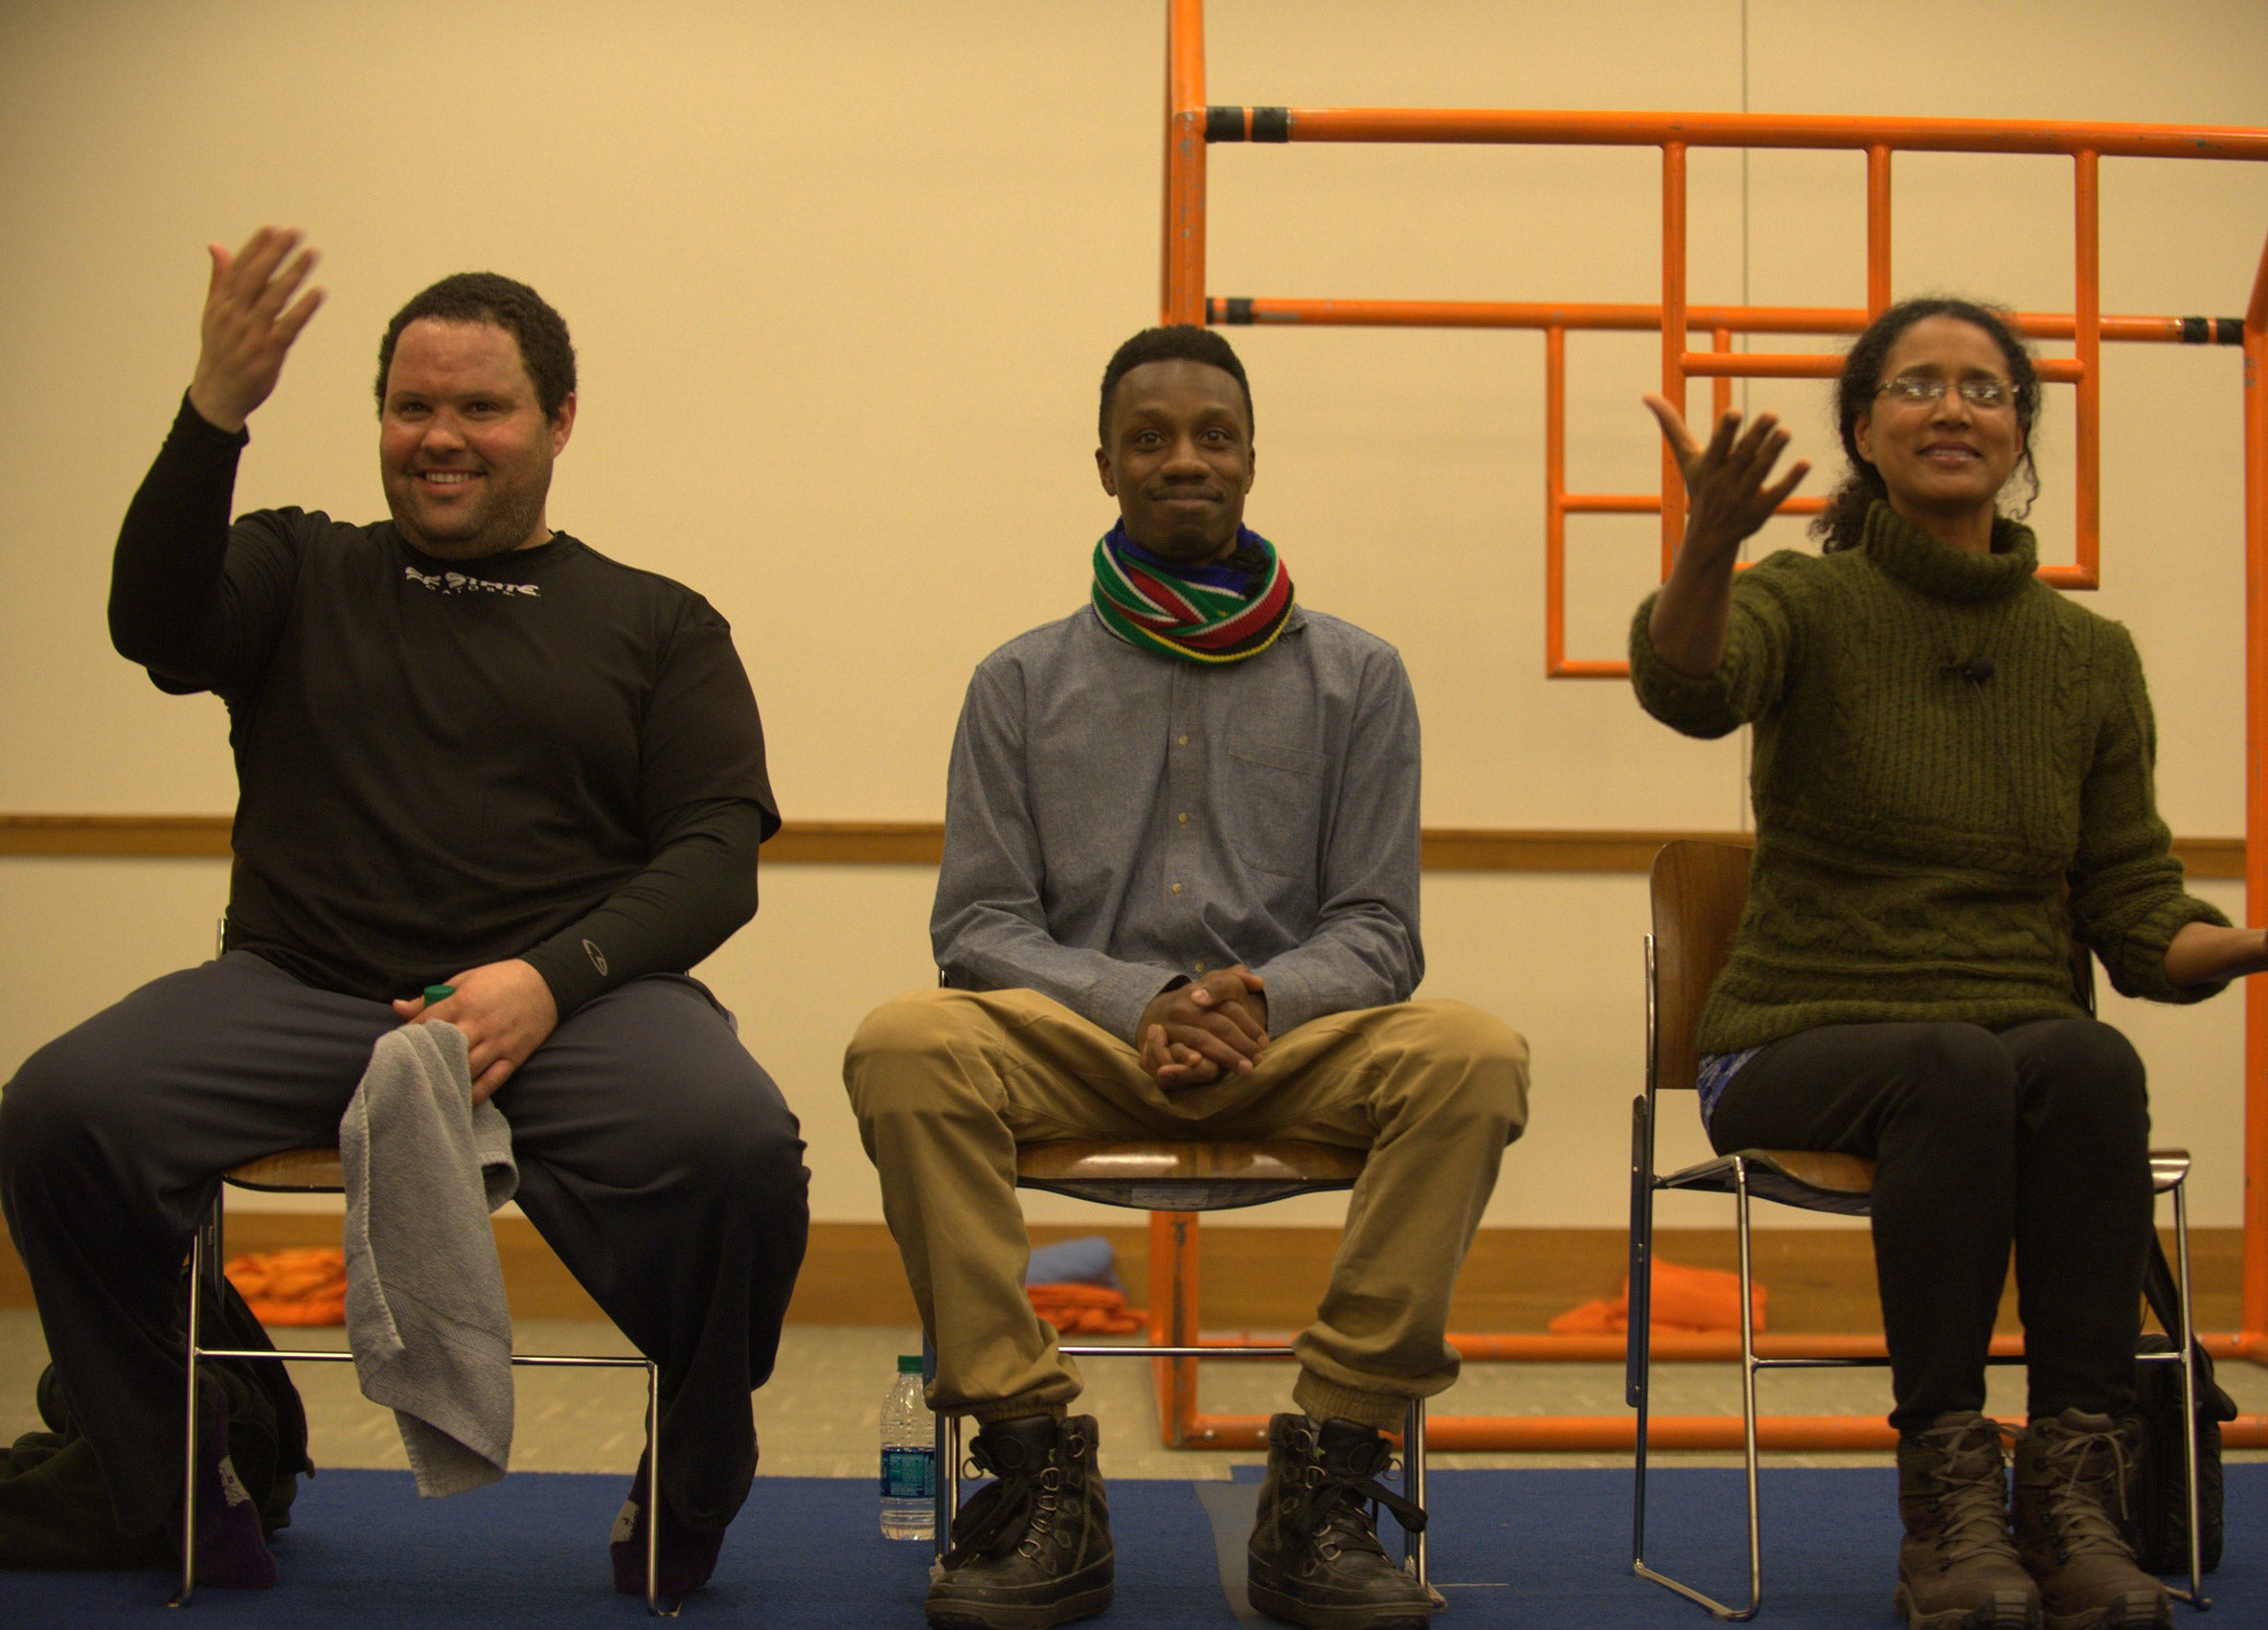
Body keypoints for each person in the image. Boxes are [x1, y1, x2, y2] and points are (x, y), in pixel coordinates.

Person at [0, 230, 810, 1600]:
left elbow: (715, 854)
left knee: (736, 1146)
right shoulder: (297, 568)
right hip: (301, 989)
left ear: (557, 420)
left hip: (573, 1006)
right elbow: (154, 622)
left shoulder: (658, 623)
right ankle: (183, 1480)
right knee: (60, 1108)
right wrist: (214, 412)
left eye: (479, 407)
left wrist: (548, 980)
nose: (440, 437)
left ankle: (693, 1472)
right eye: (411, 406)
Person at [1630, 295, 2268, 1630]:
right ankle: (1944, 1494)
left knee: (2085, 1055)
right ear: (1866, 432)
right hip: (1786, 1043)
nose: (1953, 407)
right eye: (1918, 386)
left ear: (2019, 435)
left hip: (2001, 1055)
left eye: (1984, 389)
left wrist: (2259, 944)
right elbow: (1688, 687)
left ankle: (2072, 1487)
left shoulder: (2084, 657)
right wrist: (1708, 539)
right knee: (1954, 1066)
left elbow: (2134, 912)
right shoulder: (1804, 600)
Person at [844, 326, 1530, 1630]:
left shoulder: (1358, 675)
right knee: (902, 1040)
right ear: (1104, 464)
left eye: (1211, 434)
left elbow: (1378, 932)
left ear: (1251, 460)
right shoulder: (1019, 680)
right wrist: (1135, 1006)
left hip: (1288, 1042)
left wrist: (1253, 999)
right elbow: (979, 925)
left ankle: (1326, 1463)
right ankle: (1034, 1456)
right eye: (1149, 437)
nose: (1183, 457)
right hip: (1079, 1037)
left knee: (1473, 1052)